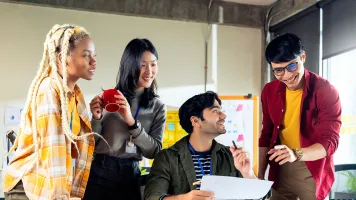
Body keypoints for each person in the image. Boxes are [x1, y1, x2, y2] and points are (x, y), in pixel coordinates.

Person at [3, 24, 98, 199]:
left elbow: (76, 149)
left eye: (94, 55)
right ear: (64, 57)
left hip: (49, 186)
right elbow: (53, 152)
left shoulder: (75, 95)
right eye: (86, 55)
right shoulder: (49, 90)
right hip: (28, 187)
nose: (94, 61)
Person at [258, 33, 342, 200]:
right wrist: (259, 176)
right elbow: (266, 135)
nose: (287, 76)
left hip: (311, 167)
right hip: (279, 167)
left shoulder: (325, 91)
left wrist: (296, 154)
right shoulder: (269, 90)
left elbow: (330, 143)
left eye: (292, 66)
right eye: (279, 70)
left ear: (302, 57)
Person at [144, 91, 268, 200]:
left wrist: (248, 174)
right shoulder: (167, 158)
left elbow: (261, 197)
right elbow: (152, 197)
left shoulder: (231, 156)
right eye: (215, 111)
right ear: (195, 121)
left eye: (221, 110)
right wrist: (184, 199)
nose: (223, 116)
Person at [83, 38, 166, 200]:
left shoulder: (157, 107)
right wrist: (96, 118)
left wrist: (131, 121)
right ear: (130, 65)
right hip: (100, 171)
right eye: (143, 65)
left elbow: (154, 151)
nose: (149, 71)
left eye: (153, 64)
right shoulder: (108, 98)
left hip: (131, 174)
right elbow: (91, 144)